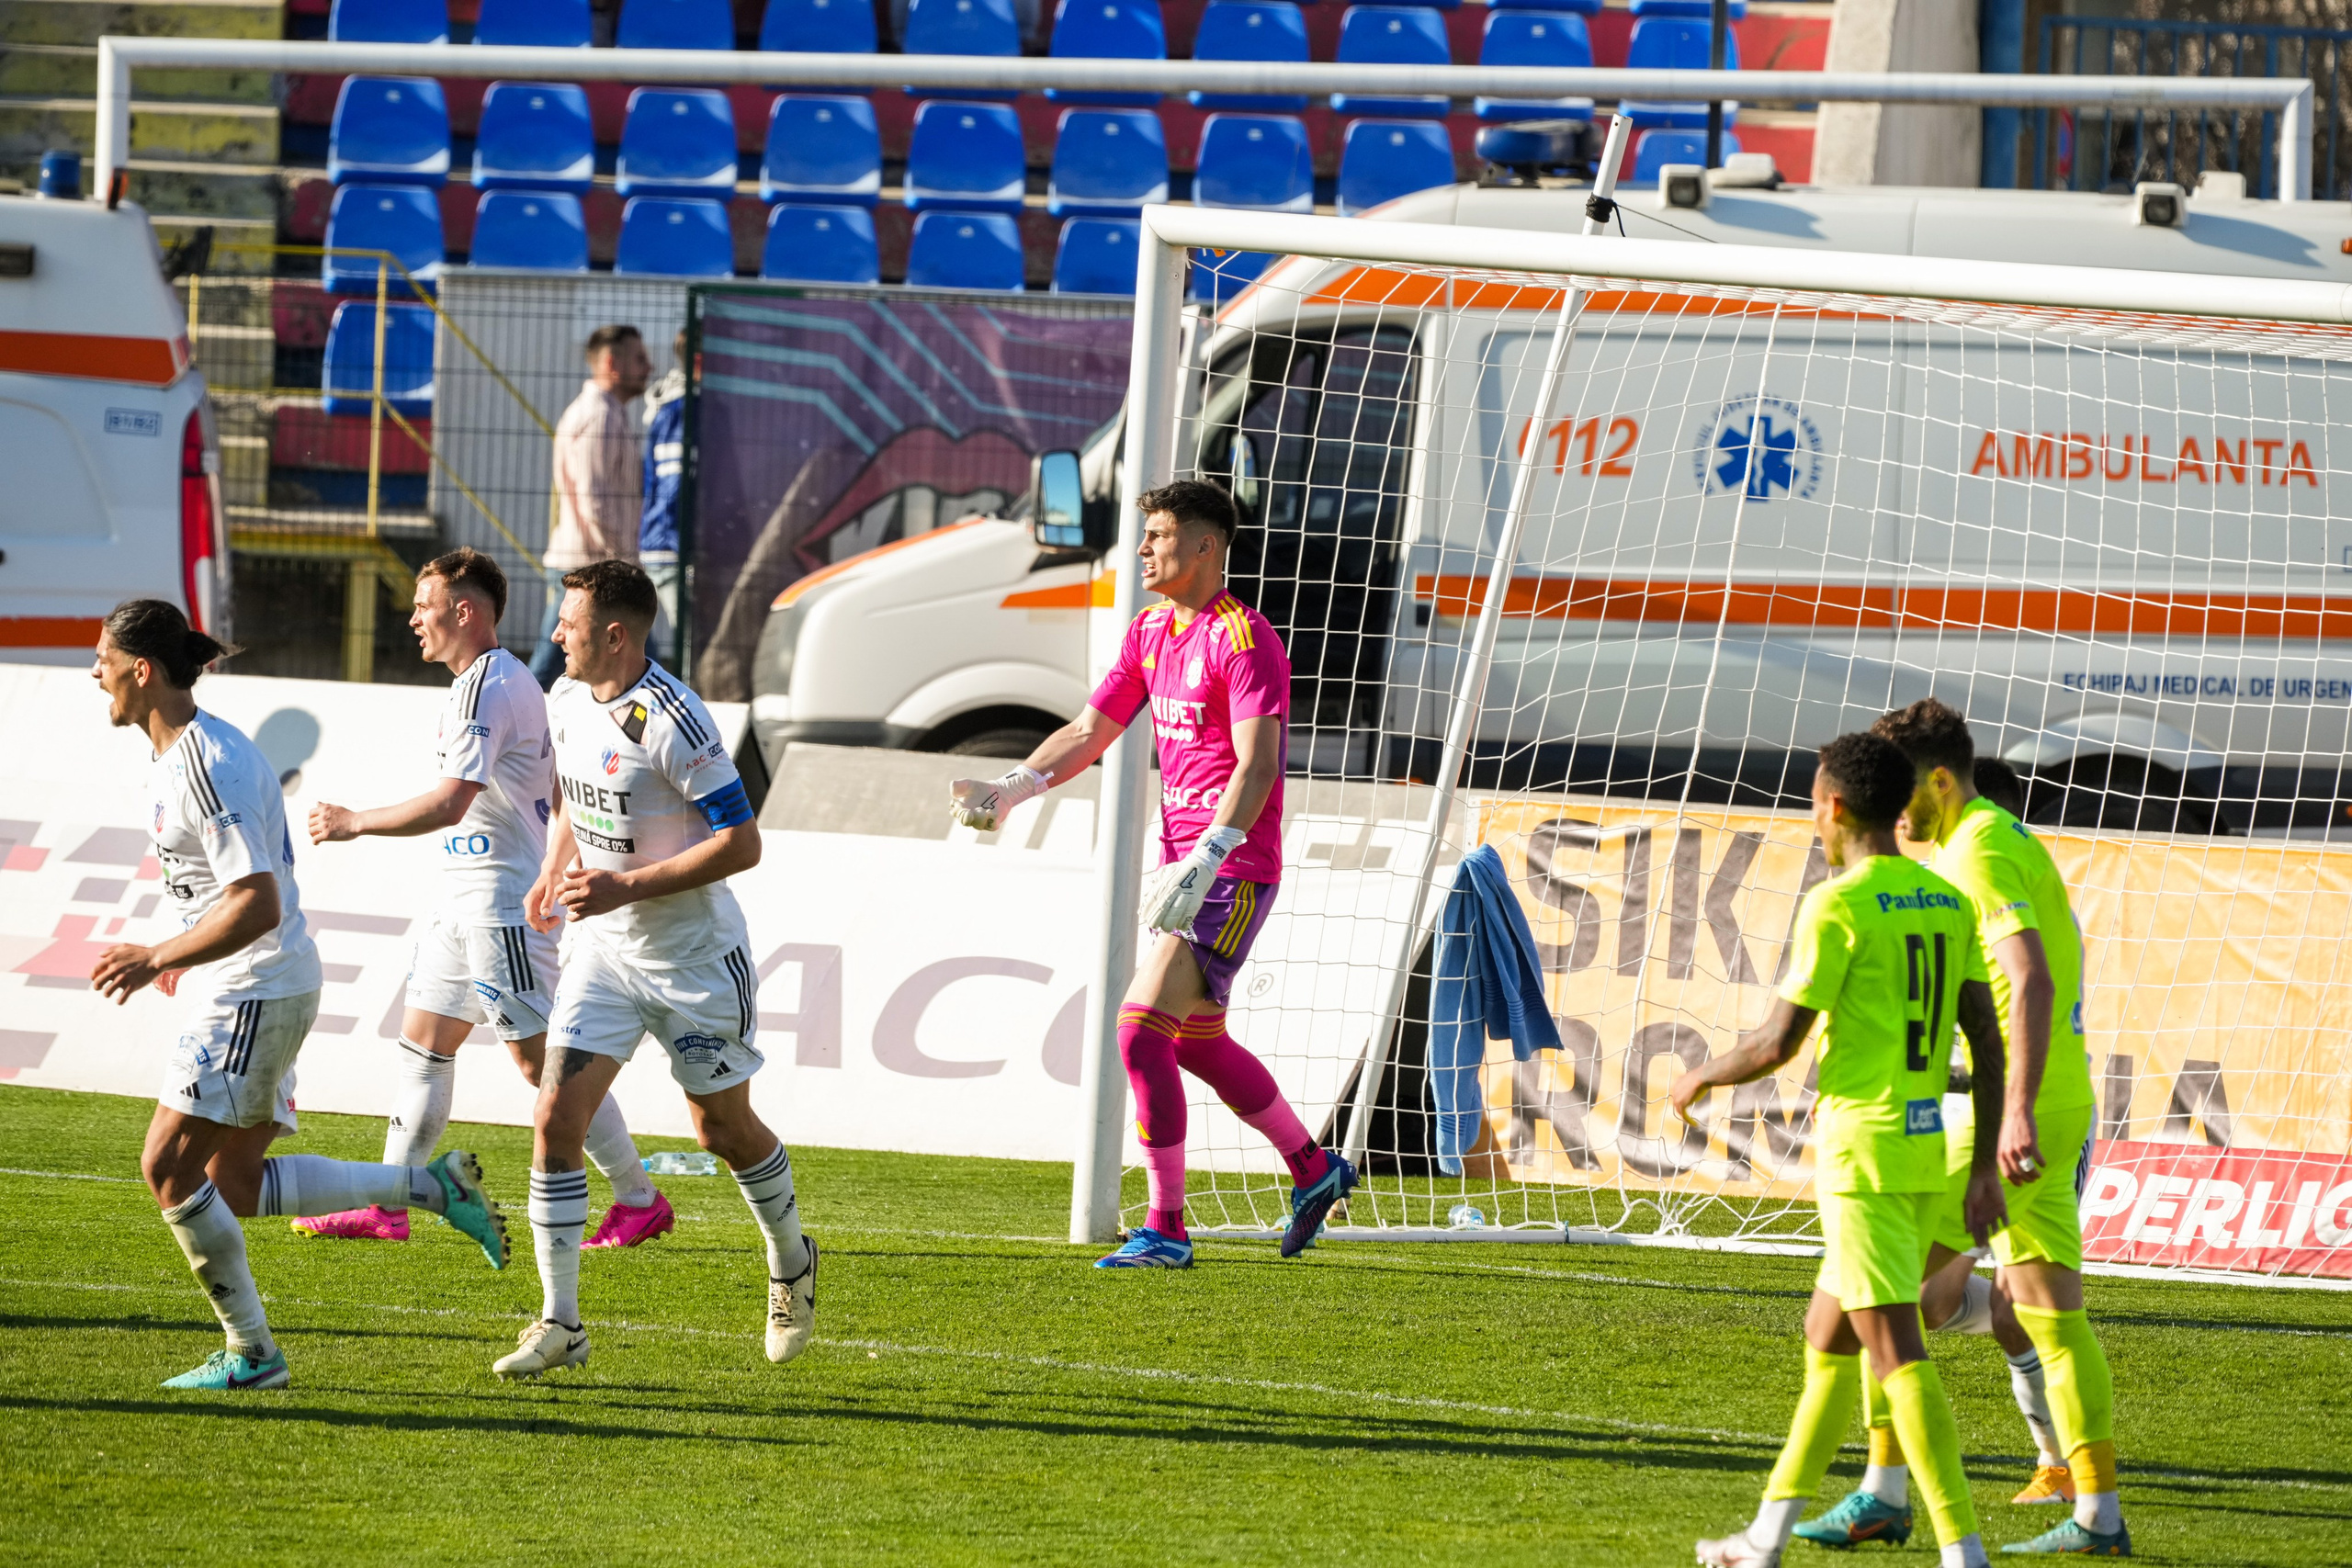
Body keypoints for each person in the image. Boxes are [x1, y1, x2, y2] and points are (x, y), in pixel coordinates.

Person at [91, 600, 508, 1393]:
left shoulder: (202, 762)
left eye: (103, 660)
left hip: (254, 986)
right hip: (252, 980)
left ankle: (253, 1352)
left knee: (167, 1168)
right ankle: (431, 1185)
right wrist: (186, 949)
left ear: (142, 670)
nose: (94, 674)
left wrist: (157, 955)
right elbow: (230, 891)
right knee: (235, 1185)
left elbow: (257, 901)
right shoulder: (181, 752)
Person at [947, 479, 1355, 1269]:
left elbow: (1260, 763)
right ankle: (1313, 1167)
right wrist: (1011, 788)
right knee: (1194, 1041)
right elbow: (1088, 729)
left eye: (1159, 534)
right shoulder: (1150, 631)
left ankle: (1167, 1226)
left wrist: (1207, 856)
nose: (1143, 548)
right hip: (1188, 867)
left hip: (1232, 867)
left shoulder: (1246, 639)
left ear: (1206, 546)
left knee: (1138, 1033)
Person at [1673, 732, 2012, 1568]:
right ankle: (1765, 1538)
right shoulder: (1944, 898)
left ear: (1832, 806)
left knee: (1895, 1347)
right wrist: (1978, 1168)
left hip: (1860, 1150)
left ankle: (1964, 1552)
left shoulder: (1839, 902)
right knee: (1828, 1336)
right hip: (1923, 1144)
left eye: (1812, 800)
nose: (1811, 815)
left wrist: (1698, 1078)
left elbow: (1778, 1040)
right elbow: (1988, 1040)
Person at [296, 547, 673, 1251]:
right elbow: (551, 789)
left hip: (499, 906)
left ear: (463, 610)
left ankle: (638, 1196)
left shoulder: (490, 685)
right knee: (423, 1046)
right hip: (462, 900)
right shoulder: (498, 682)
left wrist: (354, 821)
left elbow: (450, 802)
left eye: (422, 603)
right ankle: (390, 1202)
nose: (412, 618)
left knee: (546, 1066)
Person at [499, 559, 815, 1379]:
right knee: (554, 1122)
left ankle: (790, 1261)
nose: (556, 632)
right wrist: (551, 868)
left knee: (721, 1130)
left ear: (616, 634)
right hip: (605, 955)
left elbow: (742, 842)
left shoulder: (674, 721)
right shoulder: (567, 698)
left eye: (569, 622)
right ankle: (561, 1321)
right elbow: (573, 792)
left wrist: (621, 886)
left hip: (694, 963)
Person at [1832, 698, 2127, 1557]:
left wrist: (2017, 1108)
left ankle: (1883, 1491)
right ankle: (2098, 1514)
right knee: (2051, 1314)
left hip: (2013, 1112)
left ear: (1937, 779)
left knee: (1878, 1289)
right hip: (2060, 1100)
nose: (1896, 813)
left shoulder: (1982, 844)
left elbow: (2027, 978)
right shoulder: (1998, 833)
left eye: (1904, 795)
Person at [532, 325, 650, 688]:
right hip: (590, 568)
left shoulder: (605, 413)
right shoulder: (600, 417)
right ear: (612, 363)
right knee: (551, 667)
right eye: (640, 359)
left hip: (592, 565)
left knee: (566, 665)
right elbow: (595, 500)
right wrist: (622, 563)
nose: (650, 367)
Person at [640, 330, 688, 667]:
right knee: (692, 647)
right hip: (673, 546)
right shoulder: (681, 411)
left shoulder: (674, 406)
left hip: (669, 543)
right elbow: (674, 487)